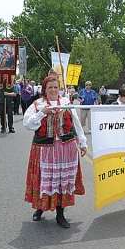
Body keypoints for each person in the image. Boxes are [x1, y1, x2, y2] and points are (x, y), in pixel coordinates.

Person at [23, 75, 88, 228]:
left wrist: (82, 142)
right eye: (50, 87)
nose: (53, 90)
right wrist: (42, 112)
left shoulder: (66, 103)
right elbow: (28, 124)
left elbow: (76, 124)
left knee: (61, 181)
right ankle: (40, 208)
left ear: (59, 89)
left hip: (66, 149)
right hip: (44, 149)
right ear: (44, 89)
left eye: (55, 87)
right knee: (44, 180)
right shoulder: (37, 104)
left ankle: (60, 213)